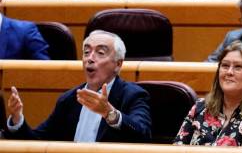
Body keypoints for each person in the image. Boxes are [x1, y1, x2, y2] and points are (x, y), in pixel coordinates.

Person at [3, 30, 152, 142]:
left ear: (118, 64)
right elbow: (38, 142)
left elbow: (143, 134)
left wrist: (109, 113)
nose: (90, 58)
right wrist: (17, 119)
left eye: (100, 52)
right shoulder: (69, 99)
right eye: (86, 52)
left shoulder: (133, 95)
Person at [174, 41, 242, 147]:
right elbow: (177, 152)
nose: (229, 72)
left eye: (238, 67)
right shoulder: (201, 107)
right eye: (225, 66)